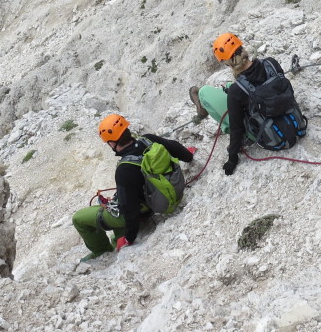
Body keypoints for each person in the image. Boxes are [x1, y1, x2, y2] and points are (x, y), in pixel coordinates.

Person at [71, 114, 194, 262]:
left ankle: (101, 250)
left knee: (79, 219)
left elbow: (129, 209)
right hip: (170, 191)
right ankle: (116, 236)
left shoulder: (124, 170)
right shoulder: (149, 140)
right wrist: (189, 154)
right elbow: (179, 150)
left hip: (146, 208)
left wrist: (129, 238)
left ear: (112, 143)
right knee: (121, 197)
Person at [191, 32, 298, 176]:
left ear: (227, 63)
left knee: (204, 91)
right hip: (291, 119)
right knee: (232, 88)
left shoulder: (237, 91)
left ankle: (214, 117)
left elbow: (237, 129)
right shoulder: (271, 63)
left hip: (266, 132)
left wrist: (232, 159)